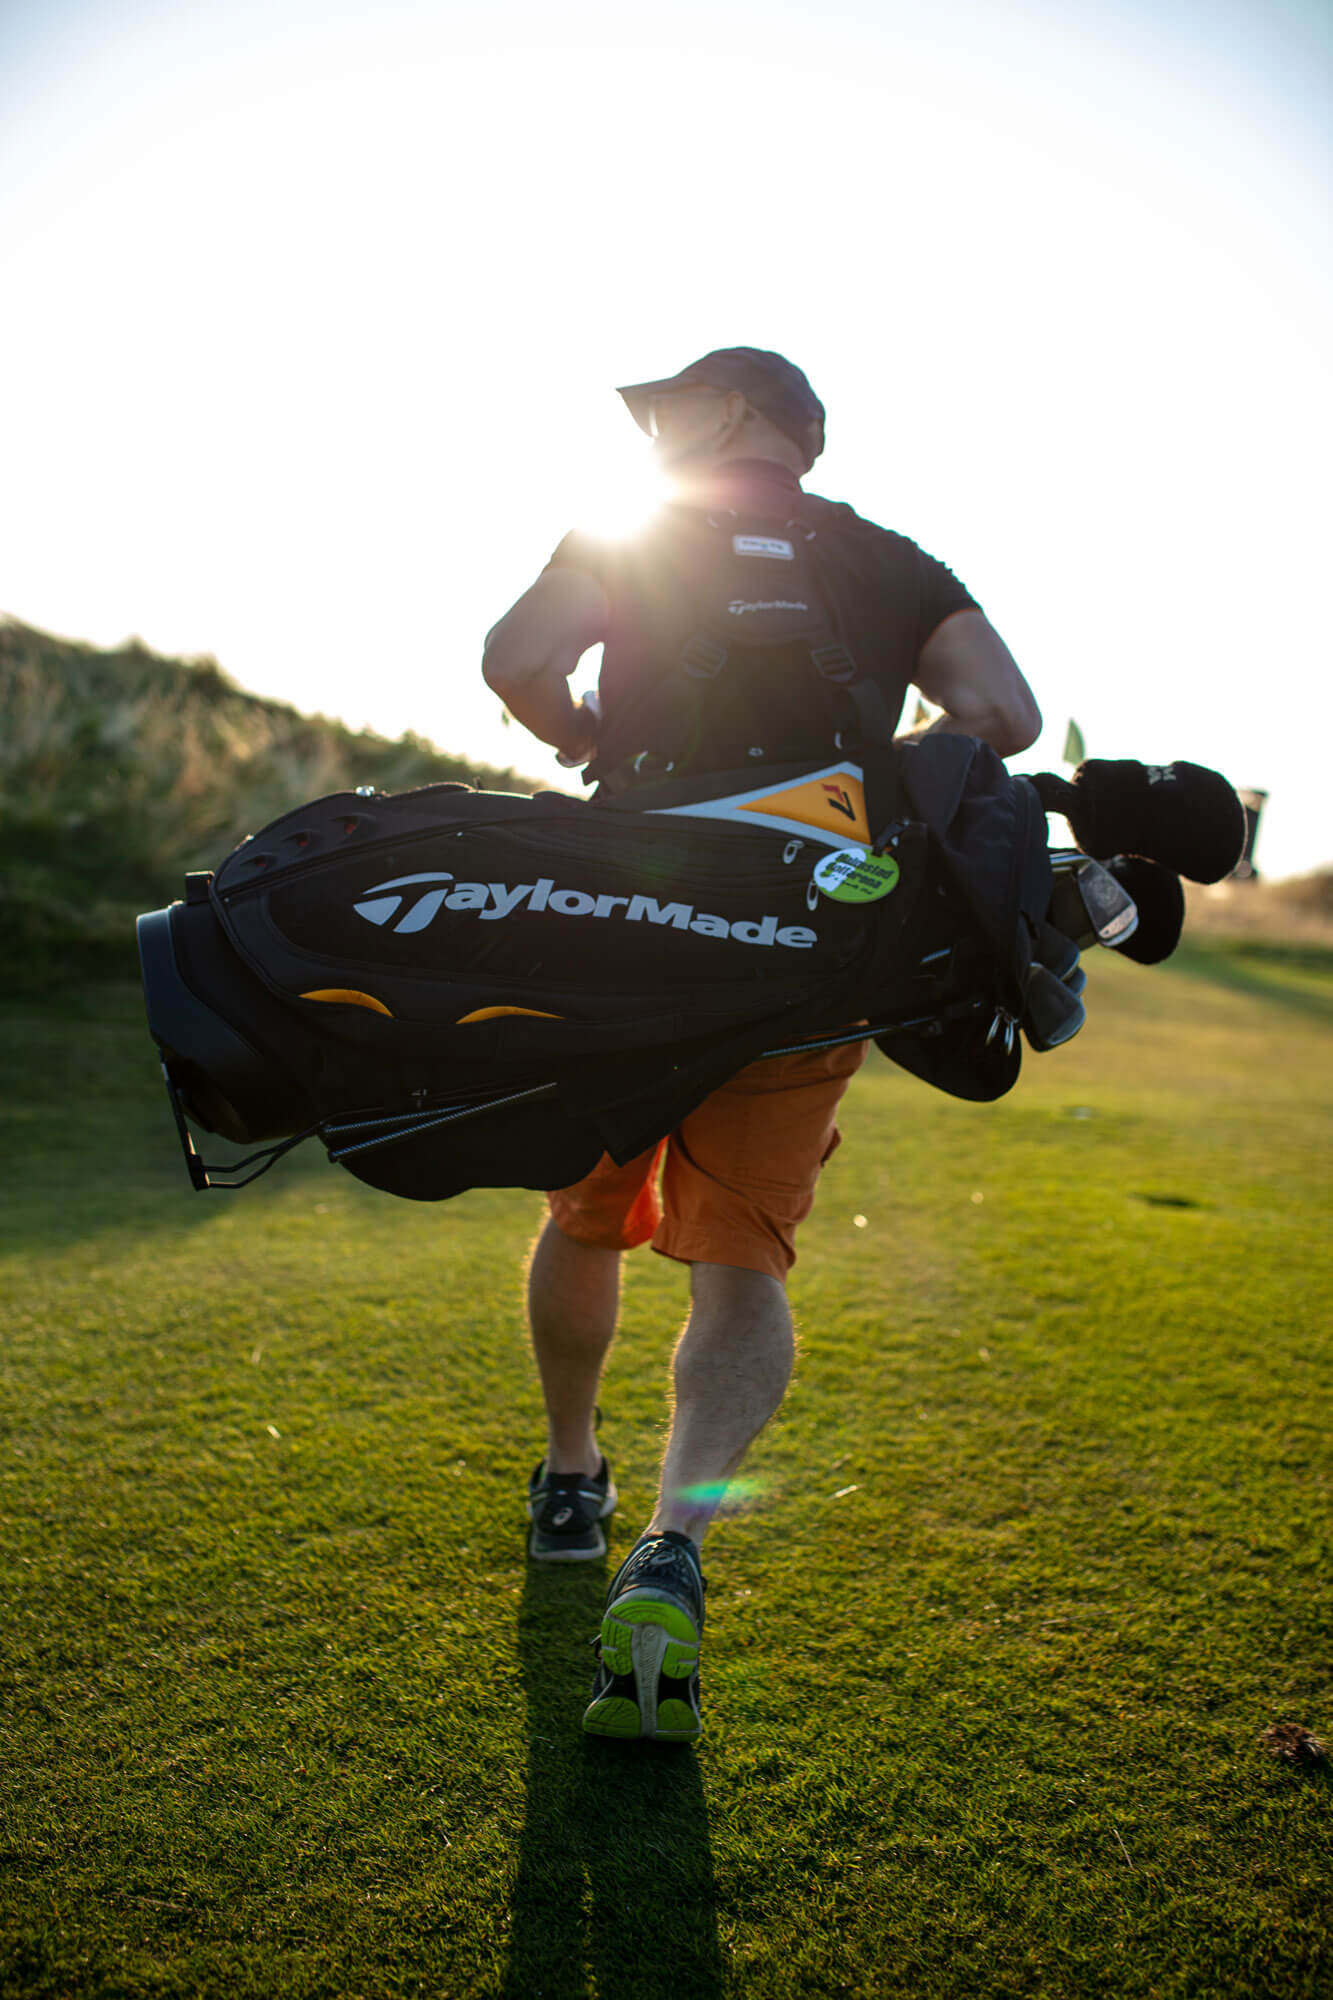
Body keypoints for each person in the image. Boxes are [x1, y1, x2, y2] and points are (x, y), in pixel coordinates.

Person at [481, 348, 1041, 1743]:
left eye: (675, 407)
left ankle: (568, 1480)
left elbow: (514, 658)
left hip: (622, 927)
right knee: (742, 1258)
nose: (657, 428)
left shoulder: (637, 531)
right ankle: (672, 1540)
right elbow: (1005, 716)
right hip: (807, 939)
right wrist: (871, 776)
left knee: (589, 1213)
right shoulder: (890, 559)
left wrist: (583, 726)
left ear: (740, 417)